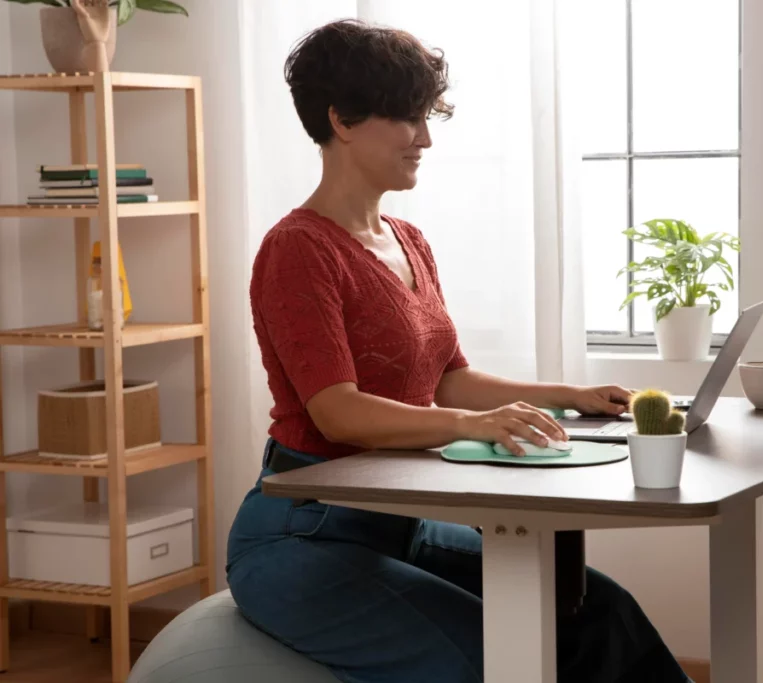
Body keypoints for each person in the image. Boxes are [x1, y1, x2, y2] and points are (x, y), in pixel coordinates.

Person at [225, 18, 693, 683]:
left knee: (603, 612)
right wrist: (475, 427)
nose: (425, 139)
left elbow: (448, 380)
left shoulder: (409, 240)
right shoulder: (297, 249)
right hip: (307, 534)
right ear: (343, 119)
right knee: (491, 662)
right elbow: (339, 413)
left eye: (425, 118)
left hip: (401, 524)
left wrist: (567, 396)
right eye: (407, 119)